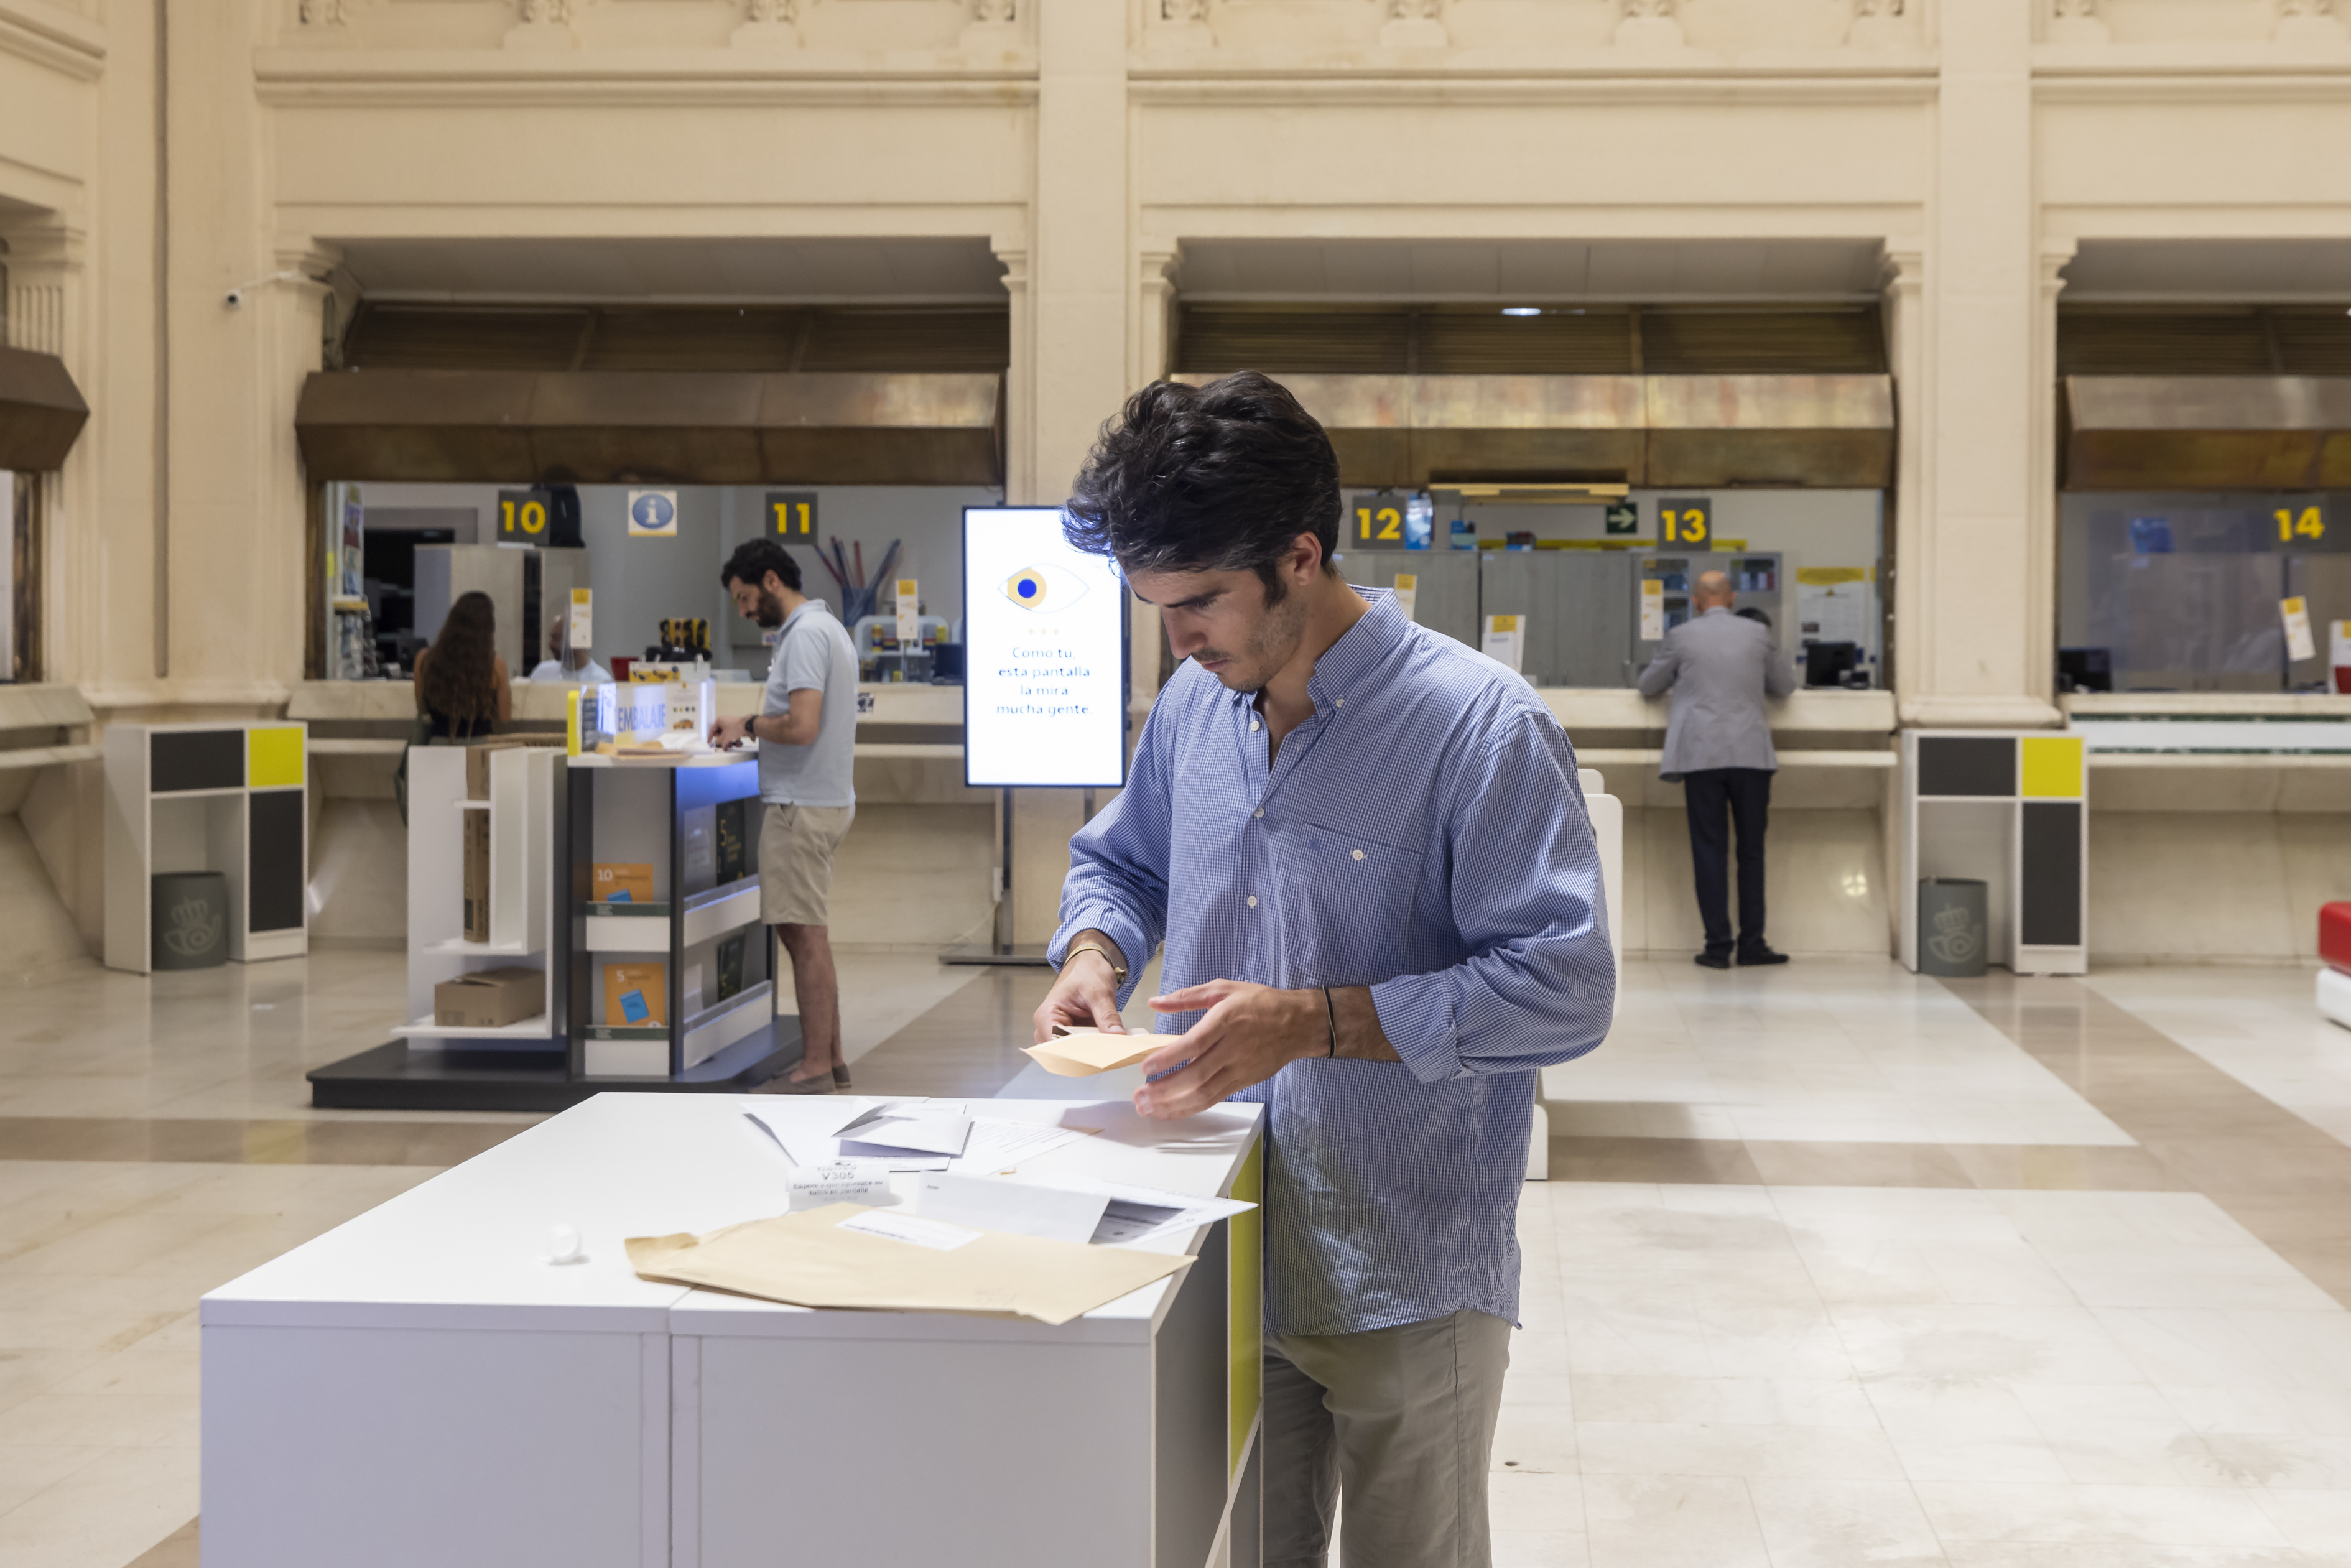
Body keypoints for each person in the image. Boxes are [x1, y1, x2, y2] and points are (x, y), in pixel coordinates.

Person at [1034, 371, 1615, 1568]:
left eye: (1200, 603)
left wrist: (1318, 1022)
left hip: (1401, 1260)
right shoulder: (1196, 708)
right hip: (1219, 1237)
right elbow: (1123, 864)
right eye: (1157, 607)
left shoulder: (1478, 727)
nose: (1180, 638)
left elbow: (1566, 984)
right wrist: (1096, 953)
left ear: (1301, 556)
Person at [708, 539, 858, 1093]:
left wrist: (746, 722)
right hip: (823, 798)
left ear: (772, 581)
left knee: (803, 936)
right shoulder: (830, 630)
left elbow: (801, 726)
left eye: (746, 598)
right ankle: (833, 1059)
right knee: (808, 933)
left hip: (800, 805)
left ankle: (814, 1066)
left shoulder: (803, 636)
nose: (745, 612)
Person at [1636, 568, 1795, 969]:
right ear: (1731, 599)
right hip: (1751, 755)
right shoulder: (1757, 634)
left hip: (1702, 756)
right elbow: (1785, 687)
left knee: (1709, 850)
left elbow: (1647, 686)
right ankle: (1754, 944)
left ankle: (1718, 947)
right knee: (1751, 852)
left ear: (1696, 601)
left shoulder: (1682, 636)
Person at [414, 590, 511, 740]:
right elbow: (504, 716)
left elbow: (424, 710)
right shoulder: (496, 664)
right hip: (479, 748)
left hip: (437, 748)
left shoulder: (424, 659)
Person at [525, 612, 611, 685]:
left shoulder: (601, 680)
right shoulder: (542, 673)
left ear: (577, 639)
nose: (550, 645)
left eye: (556, 638)